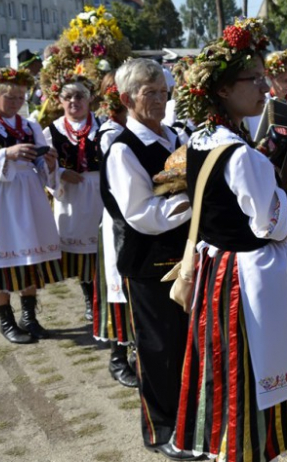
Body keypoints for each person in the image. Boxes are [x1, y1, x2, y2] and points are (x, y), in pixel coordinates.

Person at [172, 17, 287, 461]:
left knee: (224, 366)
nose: (263, 88)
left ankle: (226, 444)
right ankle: (248, 448)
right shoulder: (241, 155)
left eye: (263, 77)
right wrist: (280, 197)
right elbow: (271, 224)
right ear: (221, 90)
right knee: (249, 366)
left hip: (216, 267)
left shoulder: (203, 139)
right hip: (246, 276)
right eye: (252, 80)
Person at [99, 58, 197, 460]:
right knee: (159, 347)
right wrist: (196, 203)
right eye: (148, 93)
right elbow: (142, 216)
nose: (159, 99)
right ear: (126, 99)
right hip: (149, 263)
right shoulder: (123, 150)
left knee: (185, 342)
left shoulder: (173, 137)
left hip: (183, 256)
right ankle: (162, 430)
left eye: (162, 91)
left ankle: (189, 421)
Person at [0, 68, 62, 344]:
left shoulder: (30, 125)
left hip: (28, 195)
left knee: (30, 256)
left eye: (20, 97)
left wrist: (48, 162)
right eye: (10, 97)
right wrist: (5, 154)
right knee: (0, 258)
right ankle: (6, 321)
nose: (16, 102)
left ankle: (29, 317)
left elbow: (42, 165)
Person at [43, 75, 102, 323]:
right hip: (71, 196)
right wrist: (60, 173)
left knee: (101, 246)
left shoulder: (103, 125)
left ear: (89, 100)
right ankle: (90, 298)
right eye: (68, 97)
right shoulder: (52, 131)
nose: (73, 101)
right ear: (60, 101)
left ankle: (105, 297)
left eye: (79, 96)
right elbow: (42, 168)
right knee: (80, 254)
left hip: (100, 191)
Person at [93, 71, 137, 388]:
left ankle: (139, 352)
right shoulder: (110, 134)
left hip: (141, 222)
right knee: (119, 288)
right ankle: (117, 357)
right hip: (119, 222)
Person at [17, 49, 43, 116]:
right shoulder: (30, 82)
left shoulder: (46, 78)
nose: (25, 71)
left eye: (26, 67)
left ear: (34, 64)